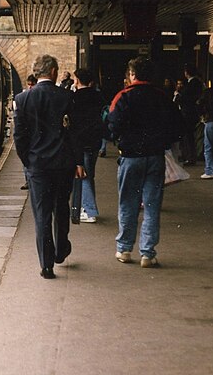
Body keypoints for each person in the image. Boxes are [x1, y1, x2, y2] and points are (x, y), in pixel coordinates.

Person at [14, 55, 85, 279]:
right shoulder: (67, 97)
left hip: (38, 166)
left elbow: (19, 137)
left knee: (42, 213)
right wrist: (78, 161)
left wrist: (29, 162)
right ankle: (61, 249)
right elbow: (75, 132)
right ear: (54, 72)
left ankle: (46, 265)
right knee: (61, 207)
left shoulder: (23, 99)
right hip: (63, 163)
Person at [107, 57, 183, 268]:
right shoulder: (162, 96)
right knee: (151, 205)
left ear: (132, 74)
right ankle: (147, 254)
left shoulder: (123, 96)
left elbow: (113, 125)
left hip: (131, 157)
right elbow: (177, 126)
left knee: (128, 203)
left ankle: (124, 249)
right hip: (155, 157)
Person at [71, 68, 105, 223]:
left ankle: (90, 210)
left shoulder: (74, 98)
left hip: (81, 142)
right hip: (95, 141)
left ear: (77, 80)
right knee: (89, 174)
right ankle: (86, 207)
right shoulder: (98, 96)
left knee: (82, 175)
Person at [179, 64, 204, 165]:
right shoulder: (198, 83)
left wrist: (179, 96)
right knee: (191, 136)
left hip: (188, 112)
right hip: (193, 112)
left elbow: (186, 98)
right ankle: (191, 156)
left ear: (186, 73)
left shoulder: (192, 84)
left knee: (188, 136)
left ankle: (190, 157)